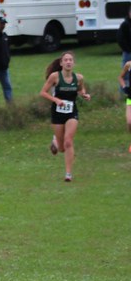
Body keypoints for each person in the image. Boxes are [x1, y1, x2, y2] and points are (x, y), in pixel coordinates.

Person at [40, 51, 90, 182]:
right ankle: (56, 142)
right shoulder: (54, 77)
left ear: (73, 63)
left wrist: (84, 94)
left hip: (72, 112)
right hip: (57, 113)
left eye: (70, 60)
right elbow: (43, 93)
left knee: (68, 141)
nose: (68, 62)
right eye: (66, 60)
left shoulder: (79, 77)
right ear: (61, 63)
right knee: (62, 148)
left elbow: (80, 89)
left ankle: (68, 174)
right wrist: (56, 100)